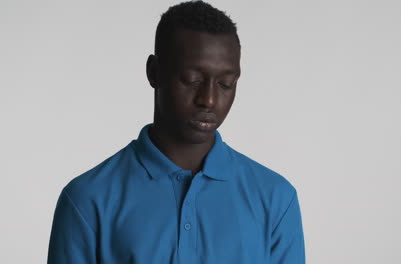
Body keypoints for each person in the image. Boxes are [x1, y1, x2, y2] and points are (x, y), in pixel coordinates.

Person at [47, 1, 305, 263]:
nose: (210, 100)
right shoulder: (88, 199)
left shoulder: (275, 199)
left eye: (226, 84)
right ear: (154, 72)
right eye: (192, 80)